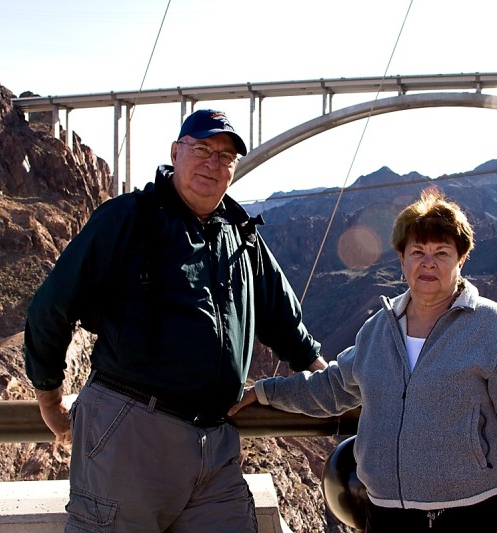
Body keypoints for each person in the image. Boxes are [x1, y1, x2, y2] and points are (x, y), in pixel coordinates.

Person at [24, 108, 327, 532]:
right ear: (175, 152)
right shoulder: (127, 219)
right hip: (130, 435)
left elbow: (282, 319)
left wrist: (326, 380)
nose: (212, 163)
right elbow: (51, 307)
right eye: (201, 149)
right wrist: (50, 401)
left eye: (225, 157)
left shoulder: (239, 233)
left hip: (216, 444)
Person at [230, 188, 497, 533]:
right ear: (402, 260)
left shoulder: (495, 330)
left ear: (461, 260)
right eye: (417, 251)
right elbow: (331, 387)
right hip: (387, 514)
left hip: (474, 513)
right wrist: (266, 392)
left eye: (441, 252)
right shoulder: (379, 331)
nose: (428, 262)